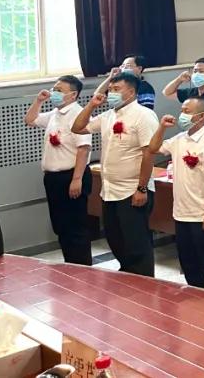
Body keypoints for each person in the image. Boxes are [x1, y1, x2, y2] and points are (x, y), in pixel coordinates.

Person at [71, 72, 158, 276]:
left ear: (132, 92)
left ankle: (143, 282)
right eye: (110, 89)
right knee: (116, 238)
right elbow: (77, 128)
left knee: (136, 243)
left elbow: (148, 154)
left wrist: (142, 188)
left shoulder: (143, 115)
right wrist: (92, 105)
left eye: (117, 89)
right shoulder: (108, 115)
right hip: (110, 190)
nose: (111, 93)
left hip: (132, 190)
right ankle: (127, 277)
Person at [148, 96, 204, 293]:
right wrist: (162, 127)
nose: (181, 115)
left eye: (186, 111)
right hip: (181, 213)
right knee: (189, 263)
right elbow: (153, 148)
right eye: (182, 110)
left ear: (200, 116)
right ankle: (196, 298)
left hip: (203, 212)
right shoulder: (179, 139)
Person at [24, 75, 92, 265]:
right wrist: (38, 101)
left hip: (71, 176)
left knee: (75, 227)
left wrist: (77, 179)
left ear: (73, 95)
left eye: (59, 90)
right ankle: (69, 265)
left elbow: (83, 149)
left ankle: (82, 269)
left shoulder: (79, 115)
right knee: (61, 226)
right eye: (54, 89)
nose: (54, 93)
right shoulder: (55, 113)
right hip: (53, 178)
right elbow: (30, 119)